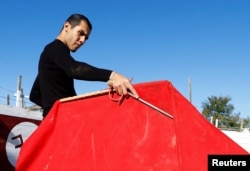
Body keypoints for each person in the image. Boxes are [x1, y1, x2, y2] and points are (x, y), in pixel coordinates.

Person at [30, 13, 138, 118]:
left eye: (86, 38)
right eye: (81, 33)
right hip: (62, 121)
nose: (82, 40)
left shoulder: (52, 56)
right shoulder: (55, 48)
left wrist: (52, 109)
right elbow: (74, 69)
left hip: (52, 121)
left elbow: (34, 94)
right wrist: (112, 75)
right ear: (67, 26)